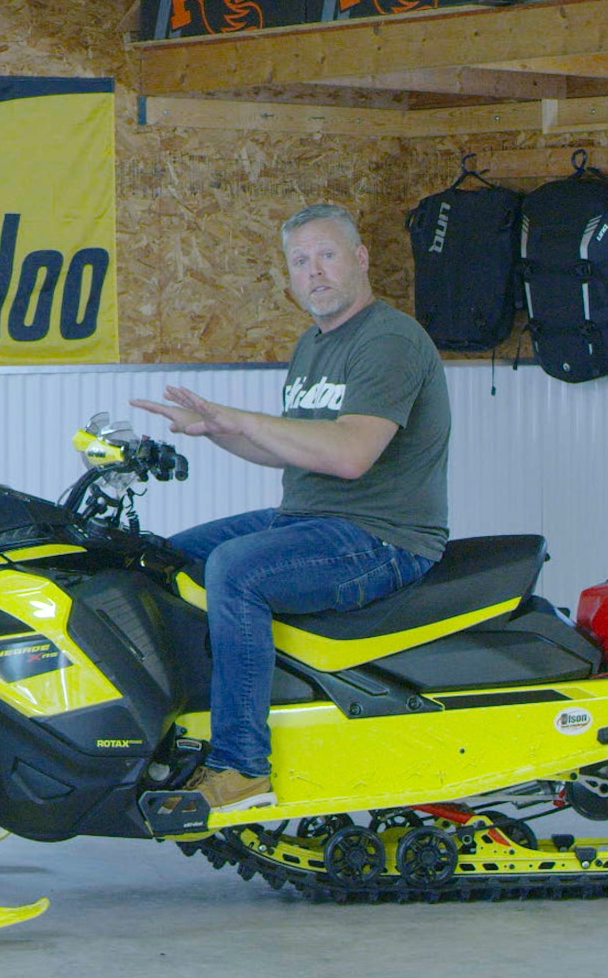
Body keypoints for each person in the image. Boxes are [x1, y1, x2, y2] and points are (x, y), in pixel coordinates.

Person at [132, 201, 450, 813]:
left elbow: (352, 454)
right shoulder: (314, 343)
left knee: (236, 570)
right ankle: (180, 730)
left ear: (359, 259)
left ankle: (242, 766)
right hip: (312, 519)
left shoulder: (389, 340)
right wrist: (213, 429)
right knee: (164, 559)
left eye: (327, 255)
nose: (314, 272)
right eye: (300, 261)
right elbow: (295, 452)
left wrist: (239, 417)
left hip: (384, 537)